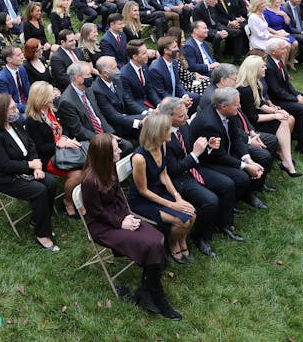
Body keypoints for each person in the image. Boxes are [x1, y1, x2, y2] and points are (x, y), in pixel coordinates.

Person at [80, 133, 181, 319]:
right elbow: (96, 213)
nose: (120, 149)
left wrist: (128, 215)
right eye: (115, 147)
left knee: (157, 237)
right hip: (102, 227)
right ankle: (157, 296)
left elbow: (119, 196)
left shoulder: (109, 168)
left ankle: (146, 288)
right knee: (151, 245)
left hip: (119, 216)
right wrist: (121, 222)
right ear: (105, 153)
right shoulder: (89, 181)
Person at [158, 97, 239, 255]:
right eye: (181, 116)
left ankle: (224, 225)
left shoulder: (183, 125)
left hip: (194, 168)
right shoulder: (162, 136)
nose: (187, 117)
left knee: (228, 185)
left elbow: (190, 148)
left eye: (186, 113)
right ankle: (201, 238)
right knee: (210, 200)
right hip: (178, 179)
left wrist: (208, 146)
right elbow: (173, 170)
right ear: (168, 118)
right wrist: (195, 154)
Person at [0, 93, 58, 250]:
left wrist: (36, 166)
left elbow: (30, 144)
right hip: (6, 177)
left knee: (50, 182)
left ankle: (39, 219)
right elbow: (4, 164)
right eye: (12, 108)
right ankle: (41, 233)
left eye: (15, 107)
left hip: (26, 166)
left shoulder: (15, 123)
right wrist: (30, 165)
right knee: (39, 190)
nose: (16, 110)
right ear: (1, 112)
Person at [128, 113, 196, 264]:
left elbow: (164, 175)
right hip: (142, 200)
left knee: (192, 214)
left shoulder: (162, 145)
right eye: (167, 129)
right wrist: (173, 204)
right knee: (182, 221)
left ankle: (181, 240)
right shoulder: (139, 158)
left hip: (158, 191)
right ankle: (172, 243)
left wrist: (177, 196)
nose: (170, 131)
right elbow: (143, 190)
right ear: (157, 132)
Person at [190, 87, 264, 217]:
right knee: (241, 177)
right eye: (236, 104)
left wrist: (248, 160)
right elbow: (218, 156)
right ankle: (226, 212)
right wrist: (246, 166)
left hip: (222, 153)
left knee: (253, 163)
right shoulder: (209, 124)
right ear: (223, 106)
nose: (239, 106)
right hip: (207, 162)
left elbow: (235, 138)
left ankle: (235, 201)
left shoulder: (228, 113)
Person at [24, 81, 83, 217]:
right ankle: (67, 202)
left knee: (88, 163)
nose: (54, 97)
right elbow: (39, 147)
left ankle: (81, 195)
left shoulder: (52, 110)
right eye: (50, 95)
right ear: (41, 98)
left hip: (62, 150)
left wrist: (66, 139)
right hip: (48, 157)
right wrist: (58, 144)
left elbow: (62, 131)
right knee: (77, 174)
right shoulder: (32, 121)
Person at [236, 55, 301, 178]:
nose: (265, 68)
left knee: (284, 119)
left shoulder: (255, 83)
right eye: (263, 66)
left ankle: (285, 158)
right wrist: (275, 116)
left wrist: (275, 111)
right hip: (249, 125)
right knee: (281, 121)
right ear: (254, 69)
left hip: (256, 118)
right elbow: (252, 118)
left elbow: (260, 104)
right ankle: (286, 160)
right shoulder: (244, 90)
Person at [57, 61, 133, 156]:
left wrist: (110, 133)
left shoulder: (88, 89)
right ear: (78, 78)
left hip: (102, 133)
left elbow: (98, 114)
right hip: (89, 140)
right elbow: (78, 130)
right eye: (88, 75)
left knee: (127, 147)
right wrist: (104, 139)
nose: (91, 77)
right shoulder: (67, 102)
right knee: (119, 150)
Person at [263, 38, 303, 158]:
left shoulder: (278, 61)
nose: (286, 51)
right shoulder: (269, 66)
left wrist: (297, 95)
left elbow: (287, 83)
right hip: (276, 101)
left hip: (284, 95)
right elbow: (276, 91)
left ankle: (297, 131)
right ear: (273, 52)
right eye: (282, 49)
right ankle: (302, 145)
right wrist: (296, 100)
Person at [91, 55, 147, 140]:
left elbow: (128, 101)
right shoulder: (97, 90)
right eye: (114, 68)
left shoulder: (116, 79)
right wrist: (139, 121)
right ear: (105, 73)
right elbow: (113, 116)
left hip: (127, 117)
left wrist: (145, 113)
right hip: (116, 125)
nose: (118, 70)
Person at [147, 36, 198, 111]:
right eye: (174, 47)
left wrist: (184, 96)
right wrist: (180, 101)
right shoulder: (155, 69)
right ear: (166, 51)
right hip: (165, 101)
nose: (178, 49)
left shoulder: (174, 62)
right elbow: (161, 93)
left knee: (196, 98)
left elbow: (177, 83)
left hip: (175, 95)